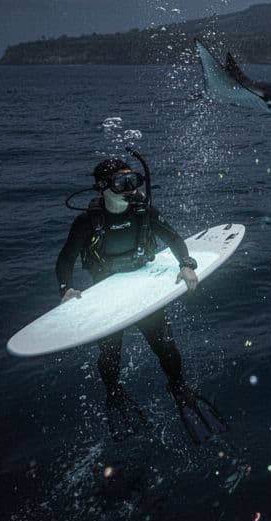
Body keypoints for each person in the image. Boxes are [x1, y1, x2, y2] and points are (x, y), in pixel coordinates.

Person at [55, 156, 225, 443]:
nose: (130, 189)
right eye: (122, 183)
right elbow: (65, 260)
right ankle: (114, 393)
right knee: (109, 353)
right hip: (106, 290)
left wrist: (186, 264)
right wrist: (65, 288)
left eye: (132, 181)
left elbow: (174, 239)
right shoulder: (87, 221)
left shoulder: (143, 211)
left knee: (166, 345)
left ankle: (179, 388)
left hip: (141, 282)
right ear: (103, 187)